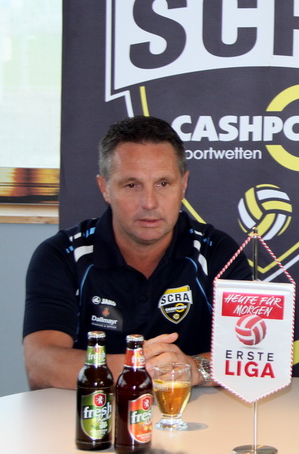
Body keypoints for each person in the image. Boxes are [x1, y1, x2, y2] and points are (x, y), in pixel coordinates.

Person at [23, 116, 252, 390]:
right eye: (132, 185)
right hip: (93, 412)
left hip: (193, 412)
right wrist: (140, 368)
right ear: (105, 188)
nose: (149, 203)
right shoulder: (62, 254)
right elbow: (40, 363)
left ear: (183, 184)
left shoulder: (217, 251)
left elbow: (250, 352)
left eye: (163, 183)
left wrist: (194, 369)